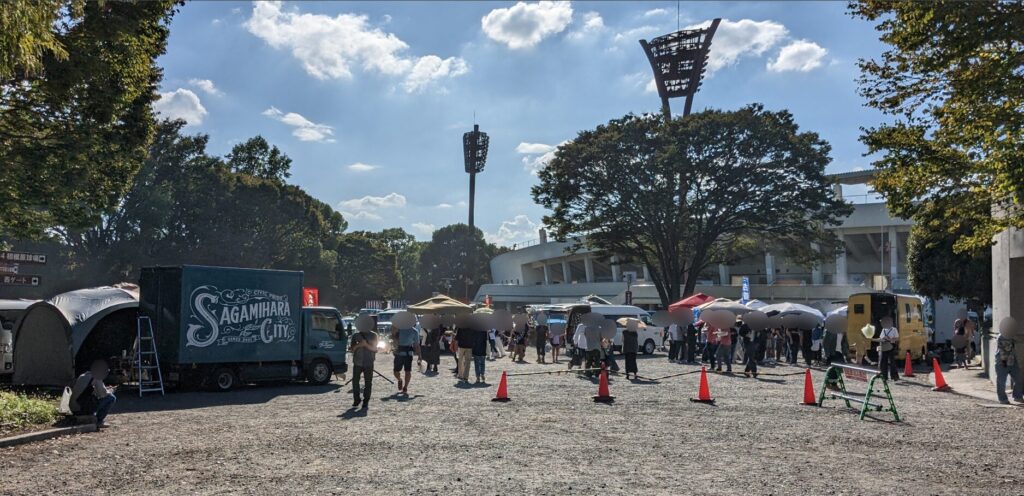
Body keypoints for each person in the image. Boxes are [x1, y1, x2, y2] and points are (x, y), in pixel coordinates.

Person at [70, 360, 116, 427]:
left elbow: (88, 391)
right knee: (111, 398)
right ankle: (99, 421)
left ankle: (92, 415)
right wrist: (111, 390)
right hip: (81, 408)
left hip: (74, 408)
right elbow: (103, 394)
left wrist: (105, 389)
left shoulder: (83, 375)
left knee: (95, 399)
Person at [349, 318, 378, 410]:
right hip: (357, 361)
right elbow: (352, 349)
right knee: (355, 382)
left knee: (368, 382)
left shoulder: (374, 335)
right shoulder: (355, 335)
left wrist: (366, 345)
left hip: (369, 362)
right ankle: (356, 399)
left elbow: (374, 349)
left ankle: (366, 401)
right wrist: (359, 345)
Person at [995, 317, 1022, 404]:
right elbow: (1004, 350)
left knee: (1019, 379)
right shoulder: (1001, 337)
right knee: (1001, 381)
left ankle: (1017, 396)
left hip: (1012, 361)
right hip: (1002, 362)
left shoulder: (1011, 336)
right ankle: (1002, 399)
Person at [392, 320, 421, 395]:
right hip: (398, 353)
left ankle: (405, 387)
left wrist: (419, 356)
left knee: (408, 371)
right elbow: (393, 336)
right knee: (396, 371)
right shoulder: (398, 329)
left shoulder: (415, 331)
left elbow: (416, 345)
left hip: (408, 354)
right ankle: (400, 379)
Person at [876, 316, 900, 382]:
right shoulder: (883, 330)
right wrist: (883, 339)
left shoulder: (894, 329)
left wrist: (890, 339)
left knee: (892, 361)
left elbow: (897, 338)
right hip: (884, 345)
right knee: (883, 362)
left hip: (891, 345)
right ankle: (884, 376)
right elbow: (881, 338)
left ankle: (894, 376)